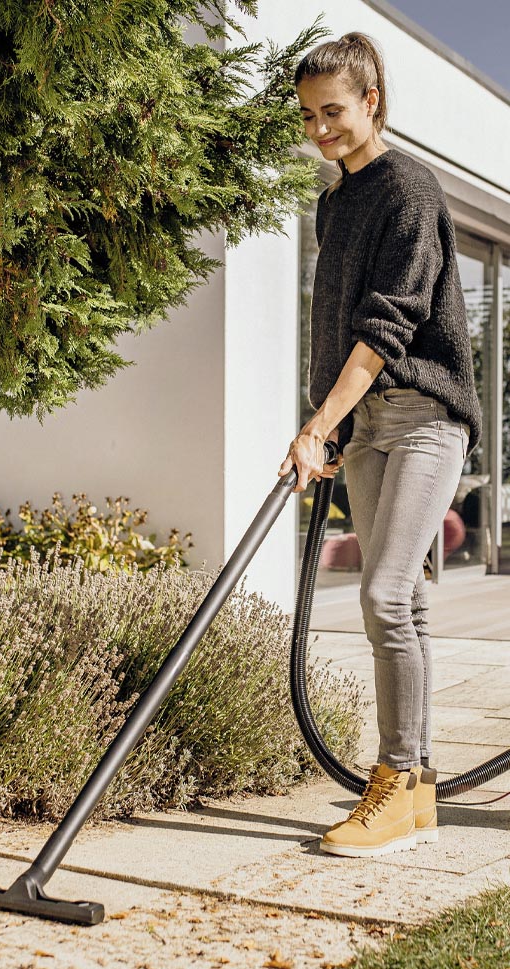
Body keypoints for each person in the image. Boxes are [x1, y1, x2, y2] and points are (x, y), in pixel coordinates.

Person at [282, 33, 483, 858]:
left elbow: (385, 328)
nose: (320, 129)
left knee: (385, 595)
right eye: (307, 116)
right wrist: (326, 420)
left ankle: (395, 780)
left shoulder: (409, 188)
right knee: (406, 604)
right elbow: (333, 324)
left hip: (426, 419)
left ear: (372, 101)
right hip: (365, 426)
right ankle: (419, 792)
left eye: (332, 111)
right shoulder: (335, 202)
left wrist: (317, 424)